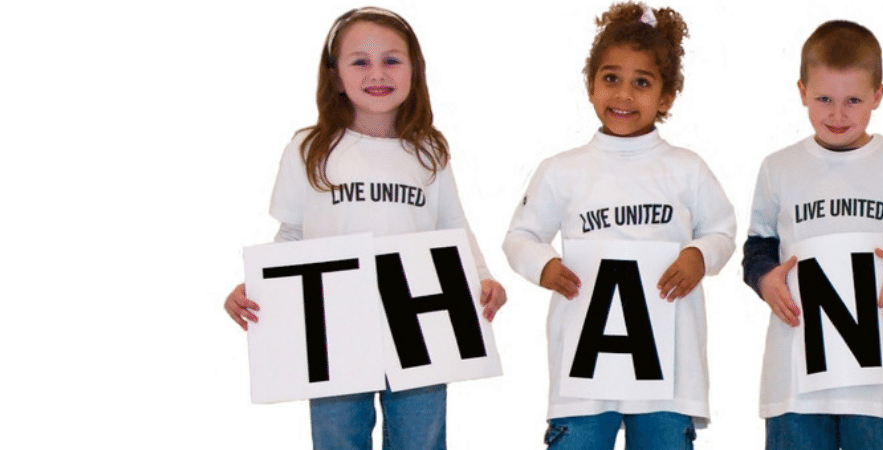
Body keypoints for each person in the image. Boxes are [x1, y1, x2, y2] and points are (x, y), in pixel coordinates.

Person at [221, 7, 506, 449]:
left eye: (392, 60)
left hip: (421, 322)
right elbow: (292, 235)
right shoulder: (309, 149)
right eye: (360, 61)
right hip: (335, 323)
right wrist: (259, 291)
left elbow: (451, 225)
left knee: (420, 439)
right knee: (338, 438)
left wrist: (483, 277)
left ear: (415, 70)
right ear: (335, 75)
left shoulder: (429, 150)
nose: (377, 73)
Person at [502, 3, 733, 449]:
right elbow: (520, 236)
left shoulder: (686, 169)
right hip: (585, 371)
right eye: (611, 78)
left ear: (665, 98)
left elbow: (721, 230)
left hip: (668, 369)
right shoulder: (561, 170)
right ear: (590, 87)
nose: (624, 95)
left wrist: (698, 255)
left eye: (641, 82)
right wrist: (544, 265)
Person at [739, 19, 883, 450]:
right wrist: (765, 278)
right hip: (796, 373)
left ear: (878, 95)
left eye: (853, 100)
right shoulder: (779, 168)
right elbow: (757, 245)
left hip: (878, 383)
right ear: (801, 93)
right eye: (824, 99)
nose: (838, 114)